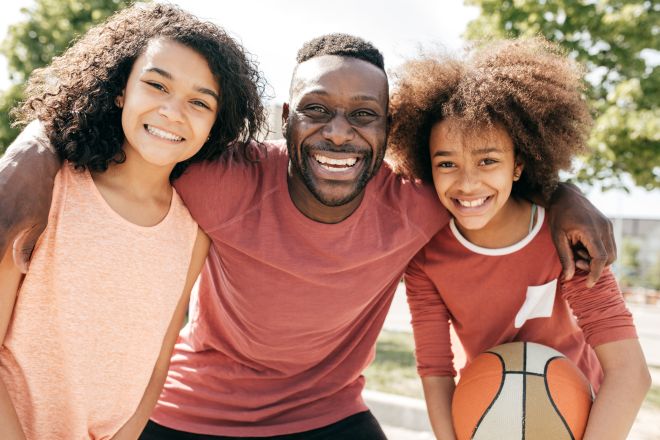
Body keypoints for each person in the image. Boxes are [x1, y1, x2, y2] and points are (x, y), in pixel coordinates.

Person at [0, 34, 617, 439]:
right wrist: (34, 146)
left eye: (364, 115)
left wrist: (561, 192)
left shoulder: (417, 202)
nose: (339, 132)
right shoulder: (223, 178)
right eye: (316, 109)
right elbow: (144, 133)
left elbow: (485, 172)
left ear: (389, 130)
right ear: (285, 120)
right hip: (195, 410)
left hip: (328, 416)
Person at [0, 4, 265, 439]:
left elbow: (161, 352)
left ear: (217, 122)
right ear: (121, 89)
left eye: (200, 101)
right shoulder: (50, 188)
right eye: (157, 85)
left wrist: (127, 431)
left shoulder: (192, 231)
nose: (172, 111)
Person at [388, 38, 651, 440]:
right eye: (447, 163)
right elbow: (435, 369)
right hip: (486, 420)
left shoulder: (564, 237)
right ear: (428, 165)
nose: (467, 182)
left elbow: (630, 374)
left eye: (488, 160)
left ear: (518, 165)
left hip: (583, 424)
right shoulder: (426, 255)